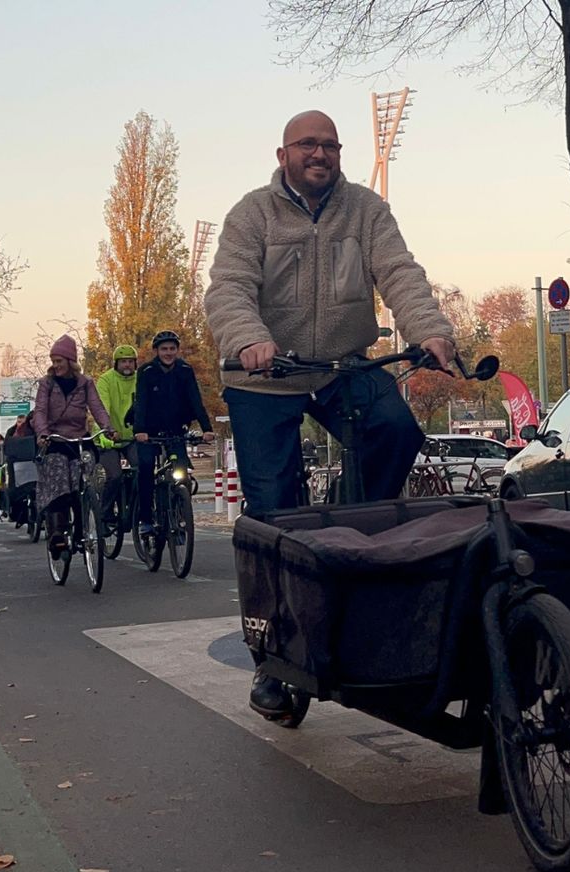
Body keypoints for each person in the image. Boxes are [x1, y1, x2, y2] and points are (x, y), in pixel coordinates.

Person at [203, 108, 456, 718]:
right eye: (307, 145)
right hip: (266, 374)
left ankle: (347, 519)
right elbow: (228, 287)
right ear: (282, 153)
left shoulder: (366, 210)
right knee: (272, 513)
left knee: (396, 429)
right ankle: (273, 663)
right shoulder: (251, 215)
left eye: (330, 146)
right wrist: (248, 339)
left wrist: (431, 331)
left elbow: (399, 272)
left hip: (343, 364)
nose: (320, 154)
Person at [33, 334, 116, 555]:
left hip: (80, 439)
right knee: (60, 483)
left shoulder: (85, 383)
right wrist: (42, 433)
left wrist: (108, 427)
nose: (56, 365)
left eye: (59, 361)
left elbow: (96, 407)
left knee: (82, 484)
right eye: (53, 361)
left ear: (70, 361)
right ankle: (58, 532)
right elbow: (40, 411)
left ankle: (82, 530)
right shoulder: (46, 384)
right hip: (55, 440)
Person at [132, 331, 214, 534]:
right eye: (164, 349)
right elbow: (141, 402)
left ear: (177, 350)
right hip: (149, 430)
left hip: (176, 428)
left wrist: (207, 429)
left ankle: (178, 517)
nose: (168, 353)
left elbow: (196, 400)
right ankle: (146, 520)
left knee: (182, 472)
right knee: (146, 467)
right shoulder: (146, 371)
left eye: (172, 349)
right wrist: (140, 430)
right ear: (156, 351)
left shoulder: (185, 370)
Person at [94, 344, 139, 525]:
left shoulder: (141, 379)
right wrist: (105, 431)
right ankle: (105, 514)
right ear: (116, 364)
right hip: (109, 436)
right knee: (114, 475)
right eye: (123, 362)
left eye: (130, 361)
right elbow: (101, 407)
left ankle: (134, 506)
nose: (127, 365)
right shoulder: (105, 380)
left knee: (142, 469)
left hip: (133, 436)